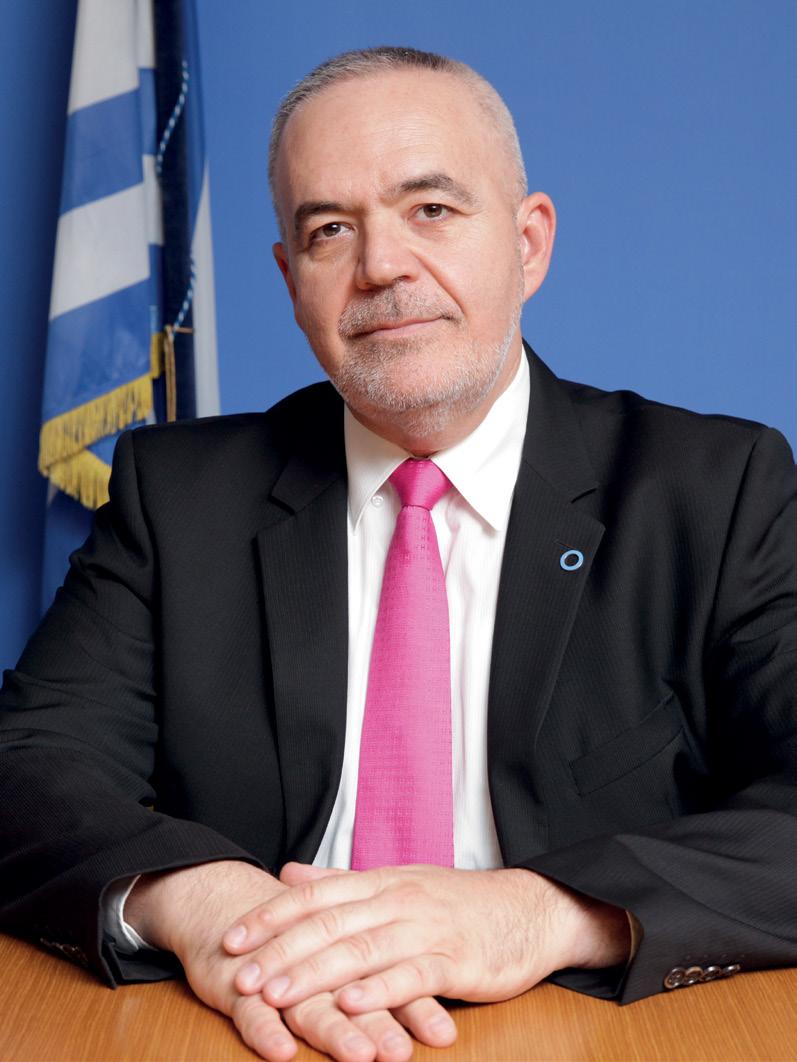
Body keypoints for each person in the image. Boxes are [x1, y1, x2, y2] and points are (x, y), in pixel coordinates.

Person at [2, 45, 796, 1062]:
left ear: (528, 244)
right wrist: (198, 903)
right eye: (330, 230)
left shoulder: (714, 490)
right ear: (291, 281)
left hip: (583, 1029)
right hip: (254, 1018)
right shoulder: (179, 496)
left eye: (430, 209)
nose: (381, 266)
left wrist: (543, 914)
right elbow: (27, 767)